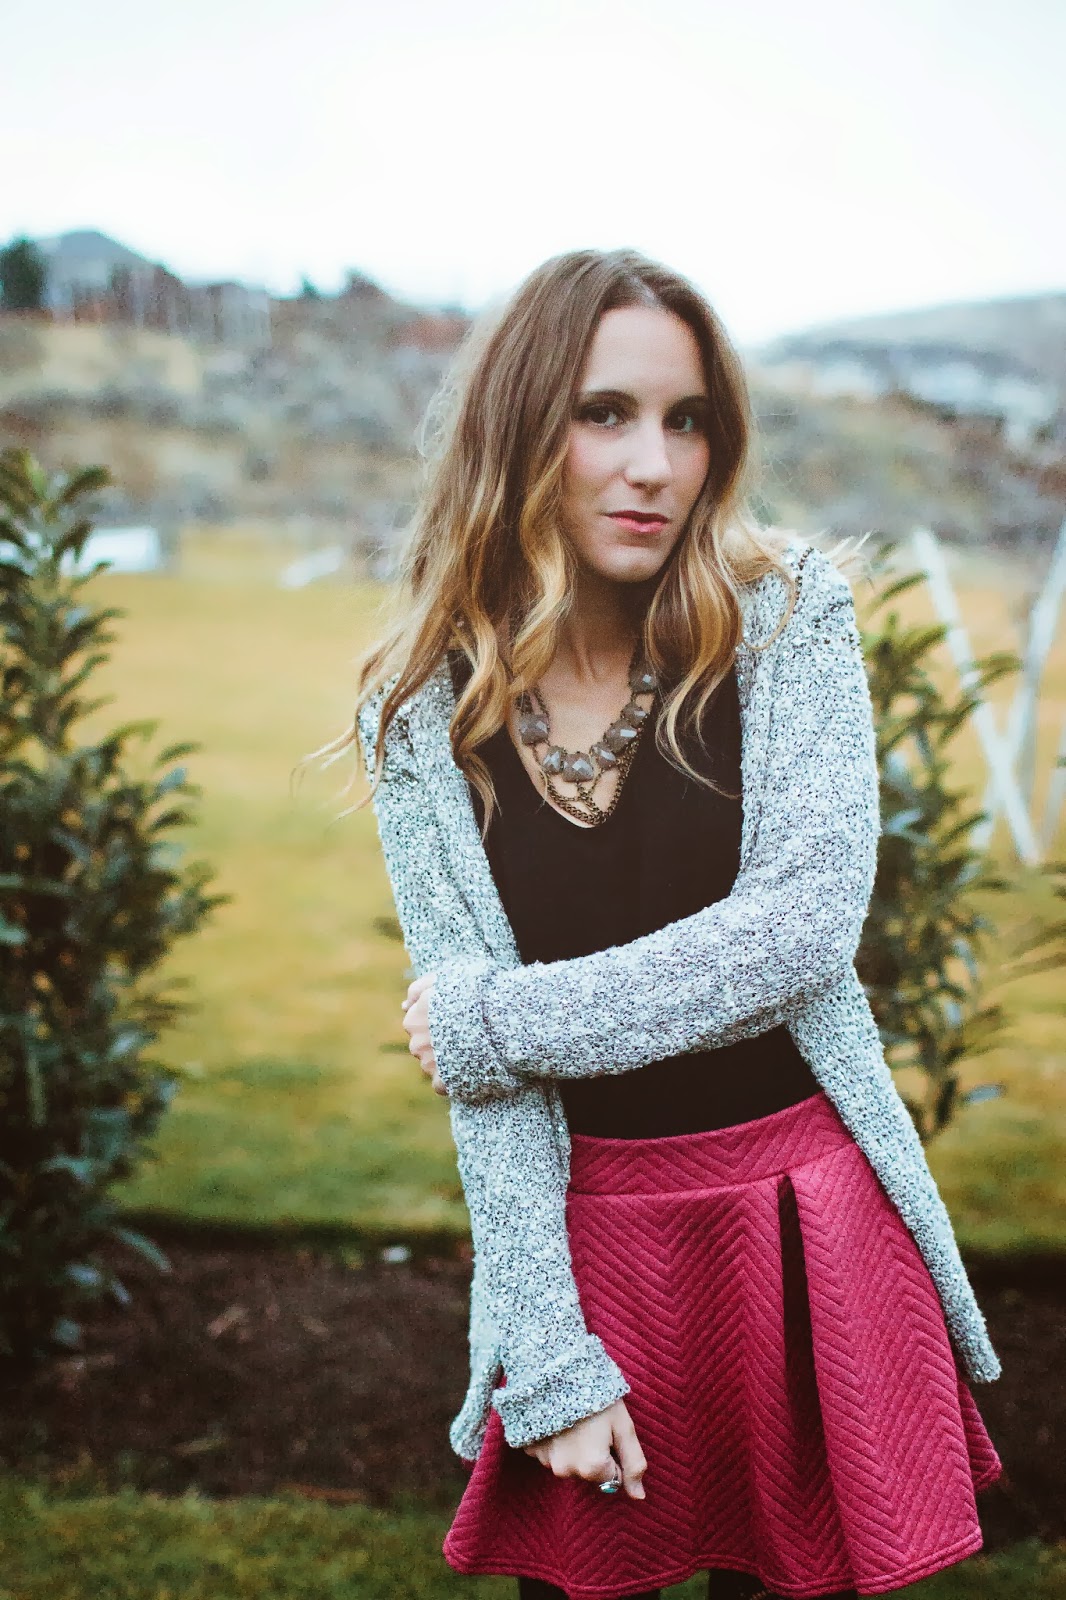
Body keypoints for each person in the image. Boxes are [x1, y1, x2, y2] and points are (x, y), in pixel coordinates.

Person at [330, 249, 1003, 1600]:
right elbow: (494, 1102)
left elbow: (799, 933)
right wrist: (550, 1355)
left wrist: (496, 1020)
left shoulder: (785, 615)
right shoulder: (419, 710)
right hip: (587, 1245)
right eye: (604, 414)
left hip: (803, 1223)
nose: (654, 464)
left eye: (686, 421)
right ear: (520, 429)